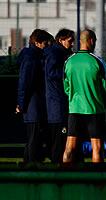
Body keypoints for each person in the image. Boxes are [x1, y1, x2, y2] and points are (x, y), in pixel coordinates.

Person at [62, 29, 106, 163]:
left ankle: (64, 179)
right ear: (92, 41)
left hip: (75, 110)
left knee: (69, 147)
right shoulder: (98, 61)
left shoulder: (69, 61)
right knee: (97, 148)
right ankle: (97, 181)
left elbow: (66, 86)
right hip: (94, 110)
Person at [17, 29, 52, 163]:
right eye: (45, 43)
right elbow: (25, 83)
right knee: (34, 138)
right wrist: (21, 104)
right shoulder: (32, 58)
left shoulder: (33, 56)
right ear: (37, 43)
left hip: (33, 106)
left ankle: (28, 165)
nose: (47, 46)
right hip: (34, 106)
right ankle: (31, 167)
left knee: (33, 138)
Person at [44, 28, 76, 163]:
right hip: (57, 105)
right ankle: (57, 167)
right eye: (70, 41)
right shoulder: (56, 53)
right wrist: (68, 74)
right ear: (61, 40)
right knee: (59, 140)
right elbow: (51, 73)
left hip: (59, 104)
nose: (73, 44)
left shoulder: (62, 53)